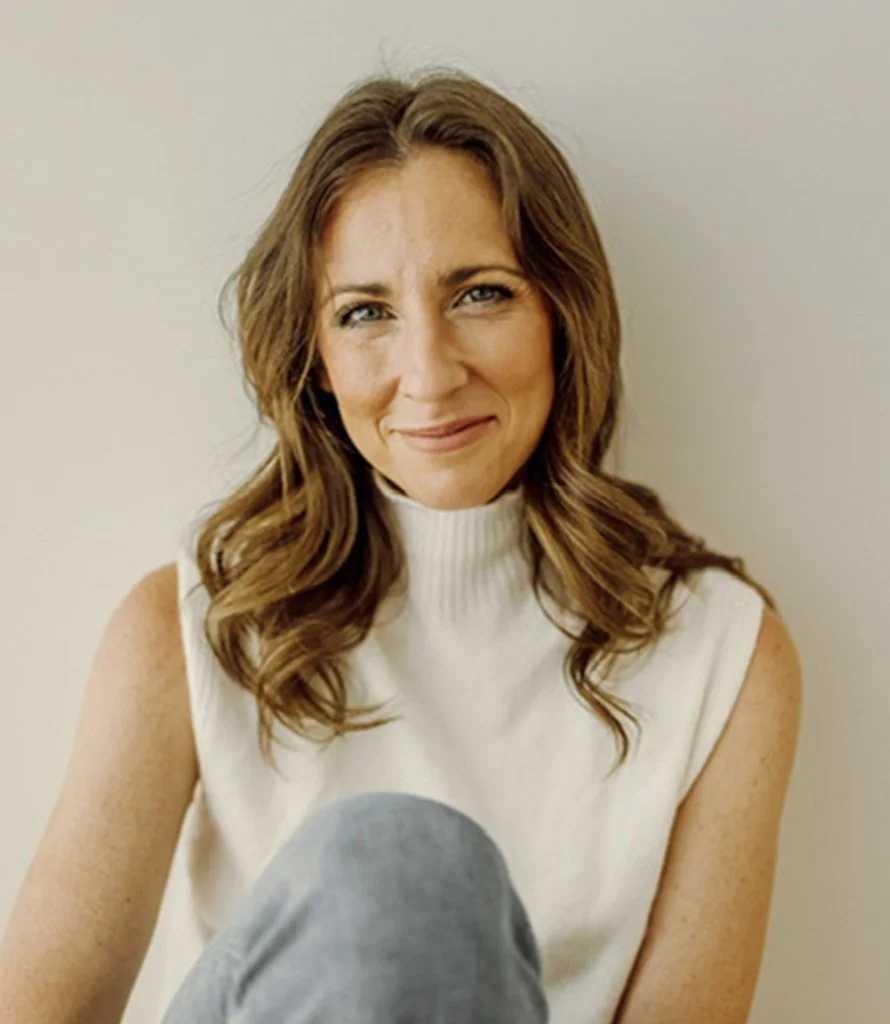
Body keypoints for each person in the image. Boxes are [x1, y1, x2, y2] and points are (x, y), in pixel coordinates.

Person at [0, 67, 803, 1024]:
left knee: (412, 870)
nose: (426, 373)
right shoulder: (191, 631)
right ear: (319, 361)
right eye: (365, 312)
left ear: (562, 314)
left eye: (480, 294)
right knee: (391, 863)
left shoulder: (721, 654)